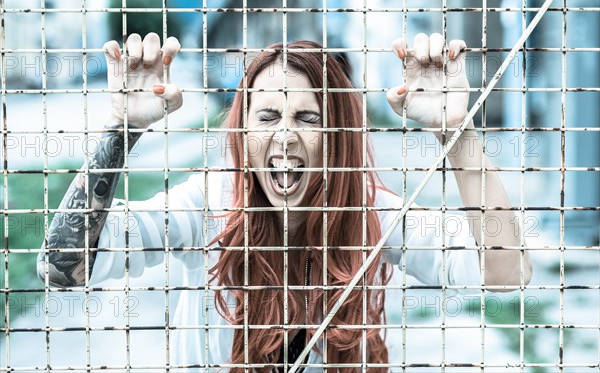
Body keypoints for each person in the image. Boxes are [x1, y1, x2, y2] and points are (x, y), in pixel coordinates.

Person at [37, 32, 532, 372]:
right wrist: (123, 126)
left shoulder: (373, 211)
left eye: (309, 118)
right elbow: (61, 267)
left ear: (337, 134)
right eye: (268, 116)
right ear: (243, 130)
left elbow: (507, 272)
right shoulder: (209, 203)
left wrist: (454, 129)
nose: (286, 137)